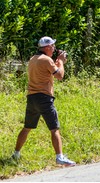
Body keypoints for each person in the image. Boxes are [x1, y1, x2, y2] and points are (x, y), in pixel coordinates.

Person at [12, 36, 75, 166]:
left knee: (27, 127)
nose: (54, 48)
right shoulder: (46, 60)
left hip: (32, 98)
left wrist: (57, 62)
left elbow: (49, 70)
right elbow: (60, 76)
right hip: (44, 98)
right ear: (47, 47)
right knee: (54, 128)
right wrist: (61, 62)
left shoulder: (33, 59)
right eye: (52, 46)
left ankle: (16, 154)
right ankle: (60, 157)